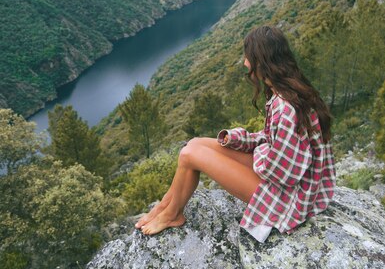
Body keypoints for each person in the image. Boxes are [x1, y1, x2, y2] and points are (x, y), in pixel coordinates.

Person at [135, 25, 336, 242]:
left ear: (262, 61)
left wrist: (253, 159)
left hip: (291, 197)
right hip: (289, 180)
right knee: (193, 144)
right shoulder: (287, 91)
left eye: (248, 56)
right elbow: (275, 141)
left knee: (189, 155)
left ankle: (172, 215)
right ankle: (167, 206)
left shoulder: (284, 106)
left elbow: (283, 174)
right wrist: (239, 141)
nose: (245, 62)